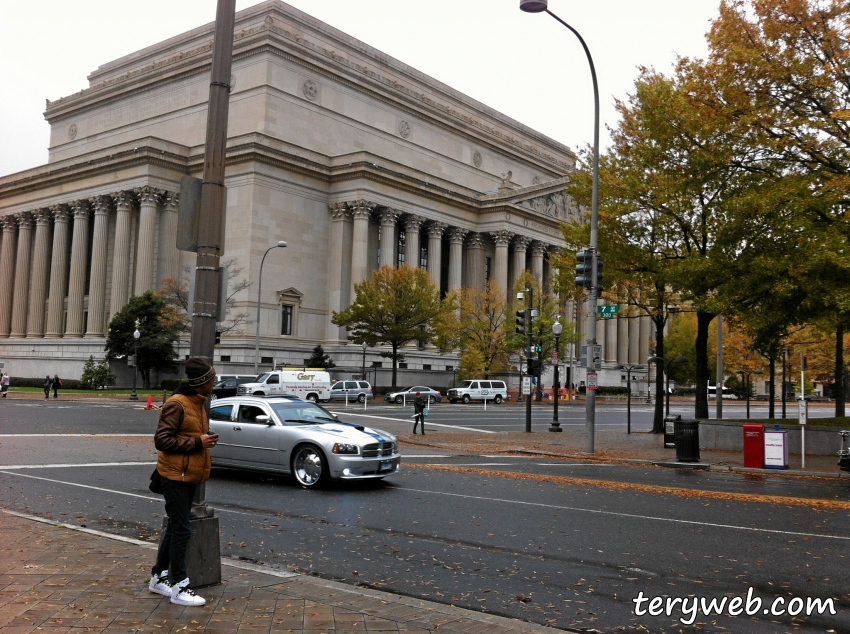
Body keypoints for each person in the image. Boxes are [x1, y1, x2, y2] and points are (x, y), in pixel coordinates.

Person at [148, 358, 218, 607]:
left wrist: (202, 440)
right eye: (212, 378)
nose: (215, 381)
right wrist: (199, 442)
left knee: (177, 527)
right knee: (181, 530)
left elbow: (187, 435)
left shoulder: (198, 403)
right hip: (174, 476)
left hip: (188, 475)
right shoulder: (177, 404)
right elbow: (162, 440)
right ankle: (179, 586)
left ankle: (158, 577)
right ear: (202, 382)